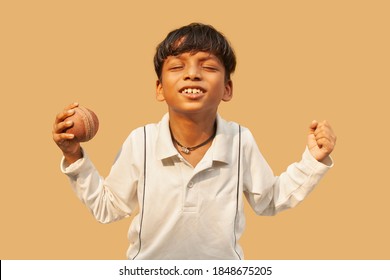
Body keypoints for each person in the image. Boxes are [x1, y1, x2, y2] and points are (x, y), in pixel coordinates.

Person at [52, 23, 336, 260]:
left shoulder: (240, 140)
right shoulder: (141, 141)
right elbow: (108, 207)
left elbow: (270, 200)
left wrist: (313, 160)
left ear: (227, 88)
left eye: (208, 66)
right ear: (159, 89)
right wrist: (74, 156)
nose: (192, 73)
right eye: (177, 66)